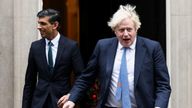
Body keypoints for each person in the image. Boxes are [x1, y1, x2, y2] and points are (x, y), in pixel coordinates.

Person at [58, 4, 171, 108]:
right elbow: (86, 77)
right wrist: (72, 98)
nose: (126, 34)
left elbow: (163, 85)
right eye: (121, 30)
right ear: (114, 31)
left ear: (136, 29)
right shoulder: (103, 46)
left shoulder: (152, 48)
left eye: (129, 29)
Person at [22, 9, 84, 108]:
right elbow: (29, 81)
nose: (39, 27)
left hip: (61, 103)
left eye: (43, 24)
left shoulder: (71, 46)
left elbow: (81, 77)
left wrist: (71, 96)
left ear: (54, 25)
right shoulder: (35, 47)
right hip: (38, 103)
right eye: (38, 23)